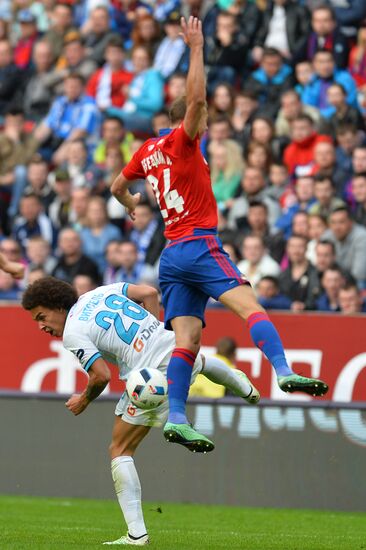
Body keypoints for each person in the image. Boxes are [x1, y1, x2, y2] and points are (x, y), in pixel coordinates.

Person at [111, 16, 328, 452]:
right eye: (203, 119)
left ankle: (176, 417)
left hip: (171, 256)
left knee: (187, 342)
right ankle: (283, 370)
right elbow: (195, 101)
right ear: (191, 122)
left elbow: (117, 187)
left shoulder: (146, 152)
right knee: (250, 307)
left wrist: (133, 206)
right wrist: (196, 49)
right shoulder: (181, 142)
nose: (206, 123)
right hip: (197, 244)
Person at [21, 276, 259, 545]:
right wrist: (154, 332)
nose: (41, 326)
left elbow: (100, 377)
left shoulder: (73, 332)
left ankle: (137, 533)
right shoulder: (97, 294)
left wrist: (84, 400)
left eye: (41, 316)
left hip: (154, 374)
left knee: (120, 450)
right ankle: (241, 385)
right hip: (175, 343)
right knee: (198, 362)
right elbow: (148, 292)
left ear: (58, 306)